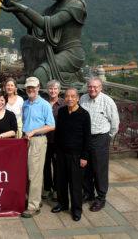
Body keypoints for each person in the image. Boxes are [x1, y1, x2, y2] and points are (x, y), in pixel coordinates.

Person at [1, 0, 87, 88]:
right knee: (26, 39)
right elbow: (31, 24)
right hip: (53, 52)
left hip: (71, 54)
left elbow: (48, 23)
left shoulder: (76, 5)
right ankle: (29, 73)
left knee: (39, 76)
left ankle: (64, 80)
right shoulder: (51, 9)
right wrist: (15, 10)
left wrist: (23, 8)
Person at [80, 77, 119, 212]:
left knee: (99, 170)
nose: (92, 89)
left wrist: (107, 137)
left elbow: (115, 123)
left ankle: (101, 198)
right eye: (90, 86)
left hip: (100, 138)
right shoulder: (83, 99)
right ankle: (88, 193)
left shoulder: (107, 101)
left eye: (95, 87)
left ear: (101, 88)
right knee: (85, 168)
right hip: (85, 139)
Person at [51, 88, 90, 222]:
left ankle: (76, 210)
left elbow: (87, 138)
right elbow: (58, 133)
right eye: (67, 96)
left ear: (78, 98)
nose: (70, 99)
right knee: (61, 181)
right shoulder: (61, 112)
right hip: (61, 153)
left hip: (76, 155)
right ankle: (62, 204)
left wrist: (84, 156)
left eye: (73, 96)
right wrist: (56, 150)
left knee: (75, 184)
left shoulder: (84, 114)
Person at [21, 77, 55, 218]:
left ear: (38, 87)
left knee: (34, 174)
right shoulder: (25, 104)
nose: (31, 89)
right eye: (29, 87)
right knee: (27, 172)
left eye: (33, 87)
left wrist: (34, 131)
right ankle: (34, 200)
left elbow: (52, 125)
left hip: (38, 141)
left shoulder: (45, 104)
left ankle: (33, 206)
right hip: (26, 141)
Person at [42, 80, 65, 201]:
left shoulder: (63, 104)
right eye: (50, 88)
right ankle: (47, 187)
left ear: (59, 90)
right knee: (45, 165)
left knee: (57, 166)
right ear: (47, 90)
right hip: (44, 138)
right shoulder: (43, 103)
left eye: (55, 89)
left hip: (58, 140)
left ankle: (56, 189)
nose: (53, 91)